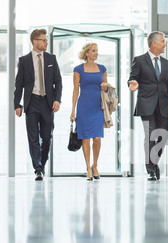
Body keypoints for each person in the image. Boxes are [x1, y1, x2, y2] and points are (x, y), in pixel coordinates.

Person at [128, 31, 168, 181]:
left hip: (163, 105)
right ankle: (150, 169)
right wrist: (133, 83)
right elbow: (133, 78)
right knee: (150, 136)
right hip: (146, 104)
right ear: (154, 44)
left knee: (163, 136)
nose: (165, 44)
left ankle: (154, 162)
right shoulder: (139, 60)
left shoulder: (166, 63)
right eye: (163, 41)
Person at [14, 28, 62, 181]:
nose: (46, 42)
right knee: (33, 137)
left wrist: (57, 99)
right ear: (35, 42)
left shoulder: (51, 59)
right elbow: (19, 84)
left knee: (47, 137)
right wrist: (17, 104)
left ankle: (42, 162)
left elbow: (58, 81)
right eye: (44, 40)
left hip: (47, 102)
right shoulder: (24, 61)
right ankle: (38, 169)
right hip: (31, 102)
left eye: (46, 40)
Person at [70, 43, 108, 181]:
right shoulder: (78, 69)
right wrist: (73, 110)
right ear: (87, 53)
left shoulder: (102, 68)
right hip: (84, 106)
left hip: (98, 107)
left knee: (97, 138)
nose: (96, 53)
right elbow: (75, 90)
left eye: (97, 51)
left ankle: (95, 165)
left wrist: (105, 87)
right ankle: (88, 167)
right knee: (85, 138)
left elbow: (106, 88)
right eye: (93, 51)